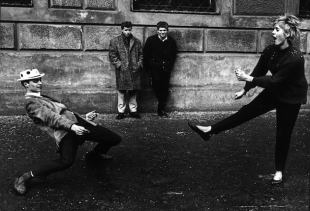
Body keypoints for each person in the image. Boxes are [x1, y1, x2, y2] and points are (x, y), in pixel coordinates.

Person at [188, 14, 308, 185]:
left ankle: (279, 171)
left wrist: (247, 79)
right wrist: (244, 90)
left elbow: (274, 80)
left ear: (287, 34)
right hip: (275, 90)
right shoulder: (270, 51)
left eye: (277, 30)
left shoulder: (295, 57)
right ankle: (210, 130)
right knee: (246, 111)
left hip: (291, 97)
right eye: (273, 29)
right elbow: (259, 72)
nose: (272, 33)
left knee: (283, 134)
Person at [14, 69, 122, 195]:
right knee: (66, 161)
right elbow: (52, 118)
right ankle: (25, 177)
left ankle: (94, 155)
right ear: (26, 84)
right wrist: (72, 127)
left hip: (78, 124)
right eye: (35, 81)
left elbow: (64, 112)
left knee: (114, 139)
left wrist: (84, 118)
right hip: (66, 132)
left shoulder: (41, 96)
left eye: (40, 80)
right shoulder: (31, 103)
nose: (40, 83)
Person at [109, 21, 143, 120]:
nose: (128, 32)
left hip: (134, 70)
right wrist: (119, 65)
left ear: (131, 29)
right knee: (122, 92)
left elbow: (141, 54)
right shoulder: (115, 41)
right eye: (125, 30)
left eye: (129, 30)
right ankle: (121, 112)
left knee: (133, 91)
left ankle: (133, 111)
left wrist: (139, 64)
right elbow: (112, 55)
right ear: (122, 29)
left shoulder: (137, 41)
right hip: (122, 71)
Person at [143, 21, 177, 118]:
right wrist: (149, 67)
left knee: (165, 88)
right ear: (157, 31)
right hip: (155, 68)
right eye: (160, 30)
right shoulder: (151, 40)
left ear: (167, 31)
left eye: (164, 30)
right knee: (157, 85)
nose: (162, 32)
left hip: (166, 69)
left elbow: (173, 55)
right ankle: (160, 106)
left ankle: (161, 108)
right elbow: (146, 54)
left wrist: (169, 66)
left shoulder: (171, 41)